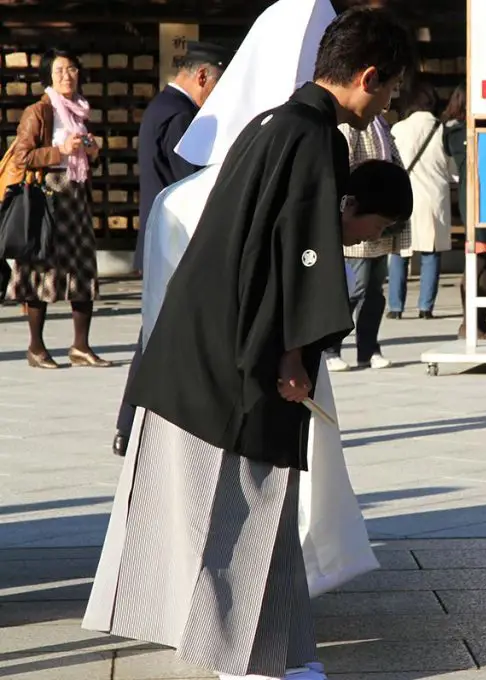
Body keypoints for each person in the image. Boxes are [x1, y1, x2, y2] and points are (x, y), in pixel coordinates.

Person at [81, 8, 415, 680]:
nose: (386, 107)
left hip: (212, 338)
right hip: (238, 354)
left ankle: (288, 650)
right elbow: (293, 255)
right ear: (368, 76)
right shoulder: (312, 137)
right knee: (247, 507)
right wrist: (291, 354)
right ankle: (239, 659)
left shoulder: (274, 123)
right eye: (388, 92)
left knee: (271, 504)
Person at [110, 41, 232, 458]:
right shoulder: (180, 116)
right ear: (202, 77)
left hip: (162, 240)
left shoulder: (161, 107)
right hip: (174, 242)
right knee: (159, 335)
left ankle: (133, 425)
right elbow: (190, 185)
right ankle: (134, 424)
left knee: (156, 333)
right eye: (216, 86)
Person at [1, 48, 105, 369]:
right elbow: (22, 156)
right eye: (60, 70)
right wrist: (59, 151)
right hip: (47, 196)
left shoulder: (80, 112)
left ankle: (80, 346)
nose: (67, 76)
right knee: (40, 269)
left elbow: (88, 161)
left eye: (72, 69)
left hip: (76, 198)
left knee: (83, 267)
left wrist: (93, 151)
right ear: (48, 76)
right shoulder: (39, 111)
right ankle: (36, 347)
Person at [325, 113, 406, 371]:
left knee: (374, 291)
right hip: (359, 218)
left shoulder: (380, 122)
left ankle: (368, 348)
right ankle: (331, 348)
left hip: (378, 220)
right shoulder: (352, 124)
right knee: (353, 288)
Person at [442, 84, 486, 339]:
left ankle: (480, 322)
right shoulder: (457, 131)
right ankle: (468, 323)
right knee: (476, 261)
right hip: (477, 202)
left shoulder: (477, 128)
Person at [387, 81, 452, 320]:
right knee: (430, 252)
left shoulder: (398, 129)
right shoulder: (442, 130)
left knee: (399, 253)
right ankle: (426, 307)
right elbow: (452, 169)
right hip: (433, 198)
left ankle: (395, 307)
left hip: (403, 195)